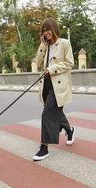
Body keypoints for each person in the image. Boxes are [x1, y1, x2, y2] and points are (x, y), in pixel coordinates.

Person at [32, 17, 75, 161]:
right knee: (56, 113)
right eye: (43, 31)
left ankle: (44, 148)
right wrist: (42, 45)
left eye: (47, 29)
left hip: (59, 86)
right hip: (46, 86)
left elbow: (70, 63)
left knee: (47, 115)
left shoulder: (64, 43)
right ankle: (70, 130)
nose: (46, 33)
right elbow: (37, 63)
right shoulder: (46, 45)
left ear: (54, 29)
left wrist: (53, 68)